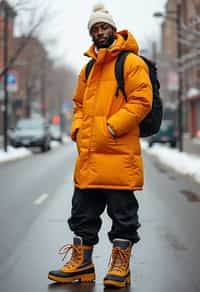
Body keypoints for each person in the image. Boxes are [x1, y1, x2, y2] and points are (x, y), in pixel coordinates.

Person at [48, 3, 152, 288]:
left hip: (119, 152)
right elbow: (78, 104)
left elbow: (142, 102)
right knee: (82, 214)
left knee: (123, 216)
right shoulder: (88, 68)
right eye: (95, 28)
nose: (100, 32)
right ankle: (81, 264)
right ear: (91, 34)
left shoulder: (131, 63)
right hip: (90, 156)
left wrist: (111, 126)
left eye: (104, 26)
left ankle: (120, 267)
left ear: (113, 29)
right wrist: (78, 129)